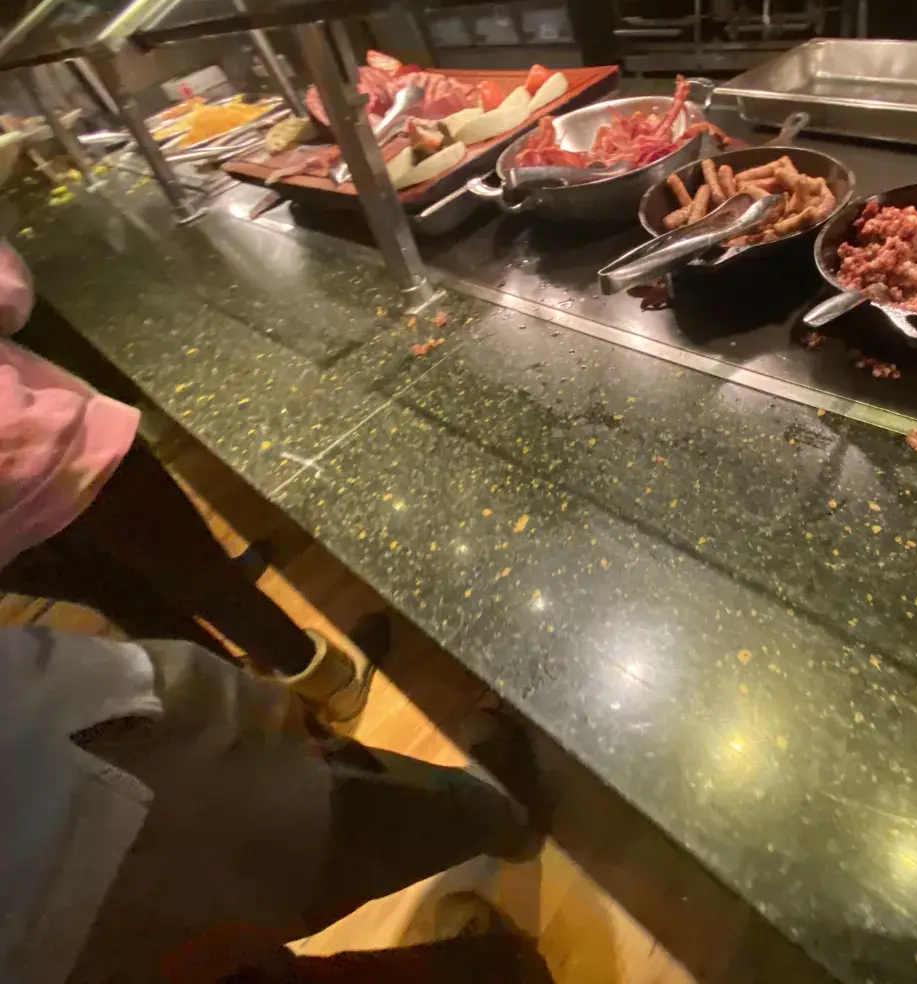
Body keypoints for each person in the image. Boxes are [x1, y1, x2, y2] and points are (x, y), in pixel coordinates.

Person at [1, 625, 547, 984]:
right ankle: (508, 821)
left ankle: (483, 967)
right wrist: (281, 717)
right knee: (387, 817)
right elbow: (145, 686)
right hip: (180, 815)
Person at [0, 232, 370, 727]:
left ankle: (270, 730)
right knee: (208, 581)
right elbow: (9, 293)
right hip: (53, 448)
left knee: (138, 611)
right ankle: (332, 688)